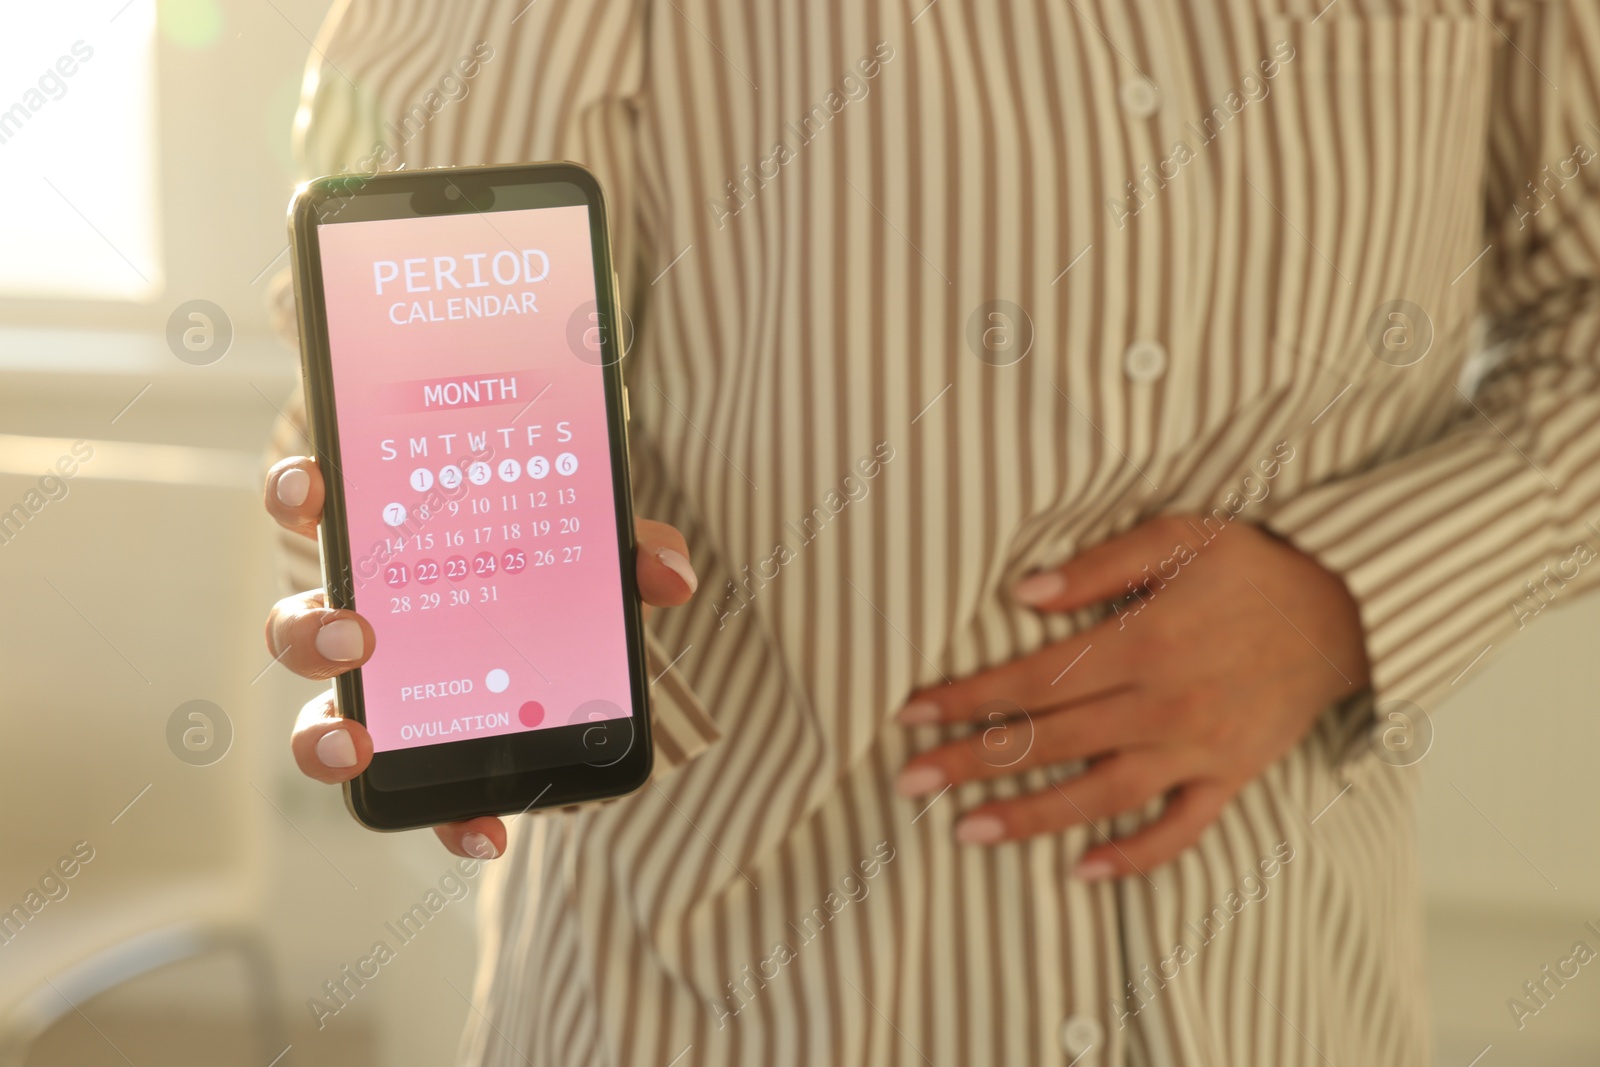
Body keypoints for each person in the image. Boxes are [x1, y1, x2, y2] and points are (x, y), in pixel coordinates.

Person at [261, 3, 1600, 1064]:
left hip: (1286, 992)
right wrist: (435, 612)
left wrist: (1345, 597)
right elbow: (398, 299)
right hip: (713, 1006)